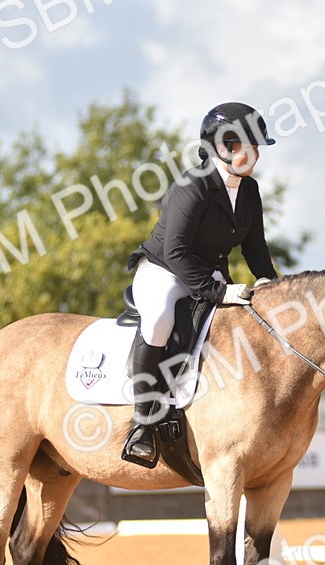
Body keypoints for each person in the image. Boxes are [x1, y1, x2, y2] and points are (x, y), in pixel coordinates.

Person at [121, 102, 280, 467]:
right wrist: (220, 292)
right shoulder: (191, 188)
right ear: (218, 148)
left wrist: (269, 282)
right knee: (161, 317)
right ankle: (142, 421)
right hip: (164, 270)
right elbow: (176, 252)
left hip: (209, 274)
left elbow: (255, 247)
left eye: (253, 147)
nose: (249, 155)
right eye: (239, 146)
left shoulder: (250, 191)